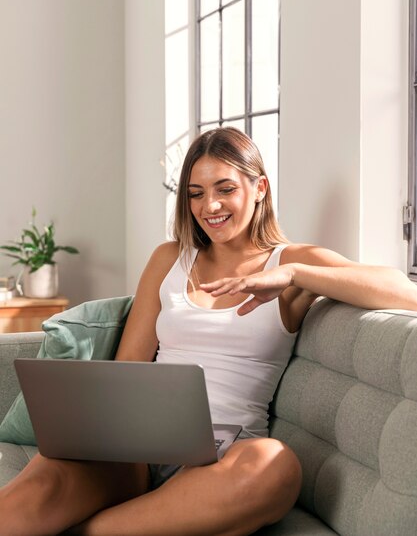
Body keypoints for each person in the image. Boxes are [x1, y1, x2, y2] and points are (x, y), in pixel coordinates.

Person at [2, 127, 417, 536]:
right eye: (196, 194)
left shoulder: (288, 263)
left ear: (260, 189)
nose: (210, 205)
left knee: (276, 465)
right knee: (46, 478)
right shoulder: (169, 258)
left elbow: (404, 292)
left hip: (225, 464)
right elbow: (129, 366)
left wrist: (291, 274)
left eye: (225, 189)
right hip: (137, 455)